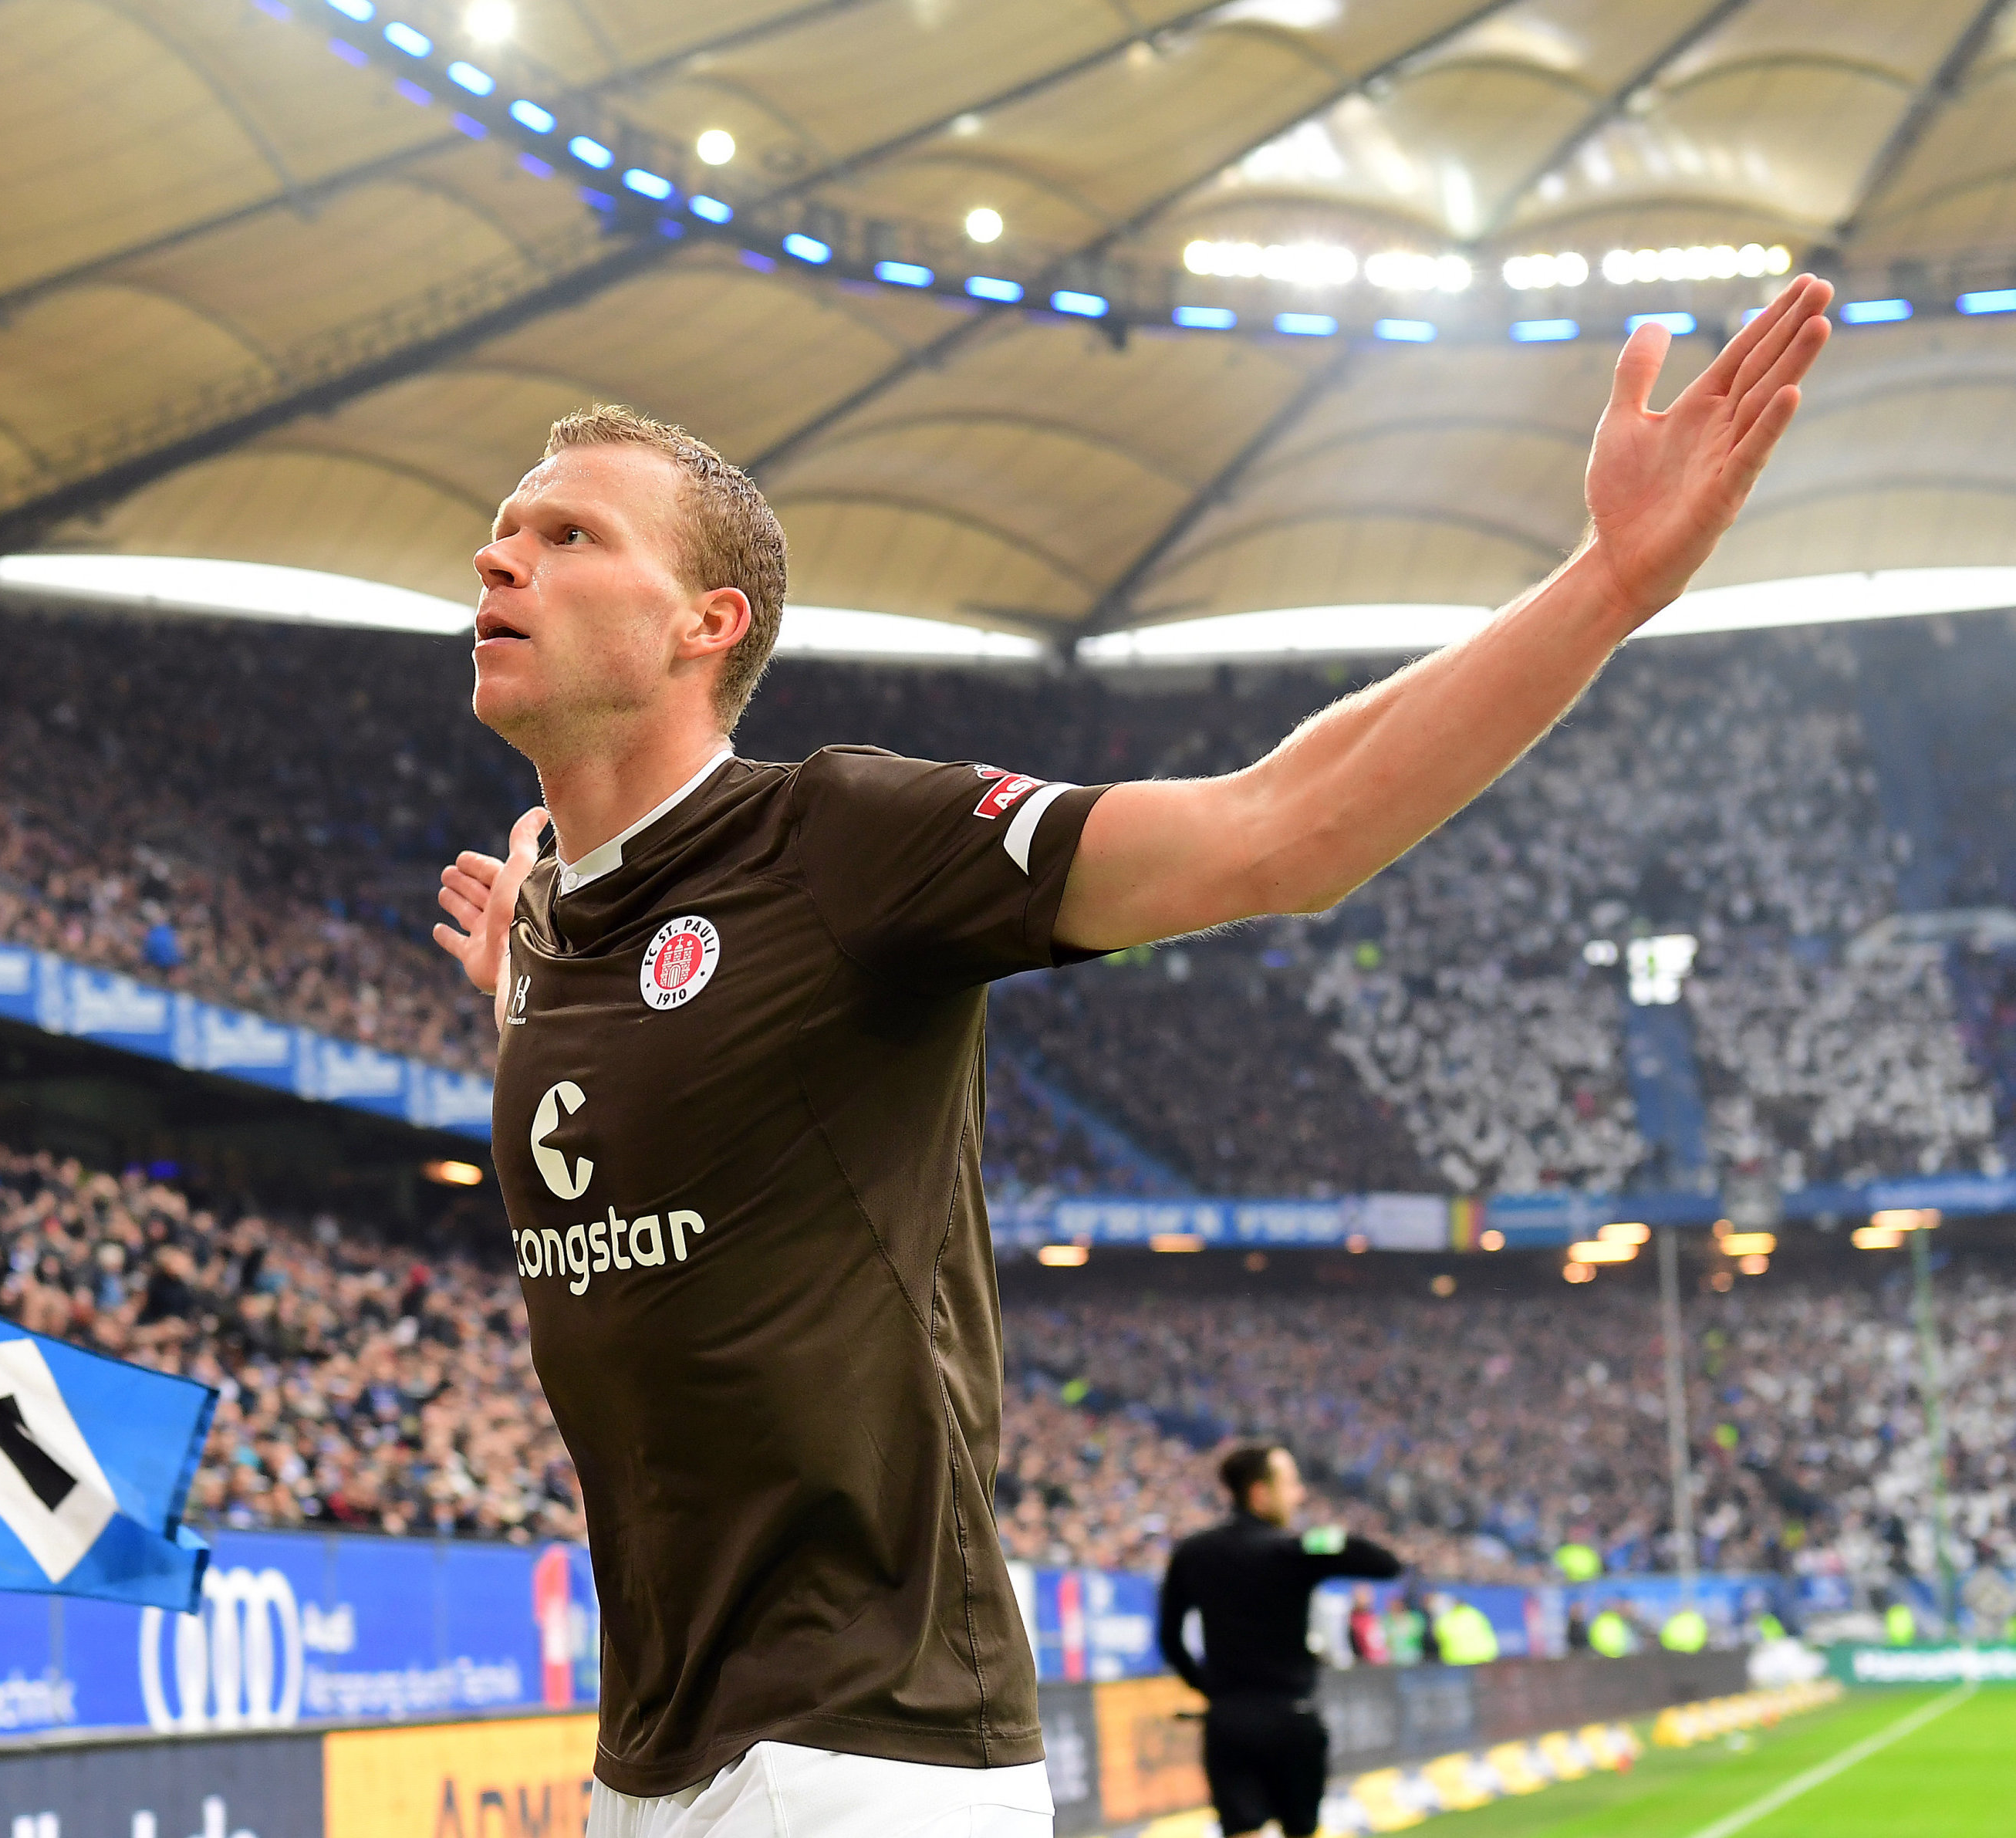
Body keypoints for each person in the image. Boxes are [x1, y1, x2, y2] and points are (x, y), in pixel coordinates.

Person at [430, 281, 1832, 1836]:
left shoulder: (831, 837)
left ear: (709, 624)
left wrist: (1607, 582)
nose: (501, 554)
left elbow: (1278, 828)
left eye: (570, 535)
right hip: (647, 1761)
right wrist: (526, 973)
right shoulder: (563, 932)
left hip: (855, 1756)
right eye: (505, 529)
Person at [1155, 1444, 1403, 1838]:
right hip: (1292, 1720)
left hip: (1229, 1722)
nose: (1300, 1494)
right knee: (1302, 1830)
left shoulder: (1194, 1552)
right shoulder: (1294, 1550)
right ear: (1259, 1493)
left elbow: (1169, 1639)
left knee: (1243, 1831)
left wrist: (1213, 1692)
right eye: (1290, 1484)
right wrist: (1323, 1538)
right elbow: (1386, 1564)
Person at [1432, 1593, 1500, 1666]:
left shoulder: (1446, 1618)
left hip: (1458, 1659)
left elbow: (1439, 1636)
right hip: (1483, 1657)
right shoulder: (1475, 1614)